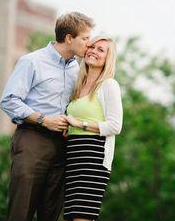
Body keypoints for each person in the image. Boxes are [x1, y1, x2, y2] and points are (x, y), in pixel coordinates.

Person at [0, 12, 95, 221]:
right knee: (20, 211)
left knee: (50, 213)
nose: (90, 43)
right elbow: (9, 100)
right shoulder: (32, 61)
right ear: (69, 38)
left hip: (63, 146)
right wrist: (44, 119)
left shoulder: (77, 69)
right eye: (85, 38)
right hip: (32, 140)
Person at [62, 36, 123, 221]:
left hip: (93, 158)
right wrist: (68, 128)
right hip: (74, 155)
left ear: (108, 58)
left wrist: (80, 124)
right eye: (92, 47)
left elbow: (115, 125)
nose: (94, 51)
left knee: (82, 215)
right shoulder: (78, 85)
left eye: (101, 50)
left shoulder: (108, 85)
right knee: (72, 215)